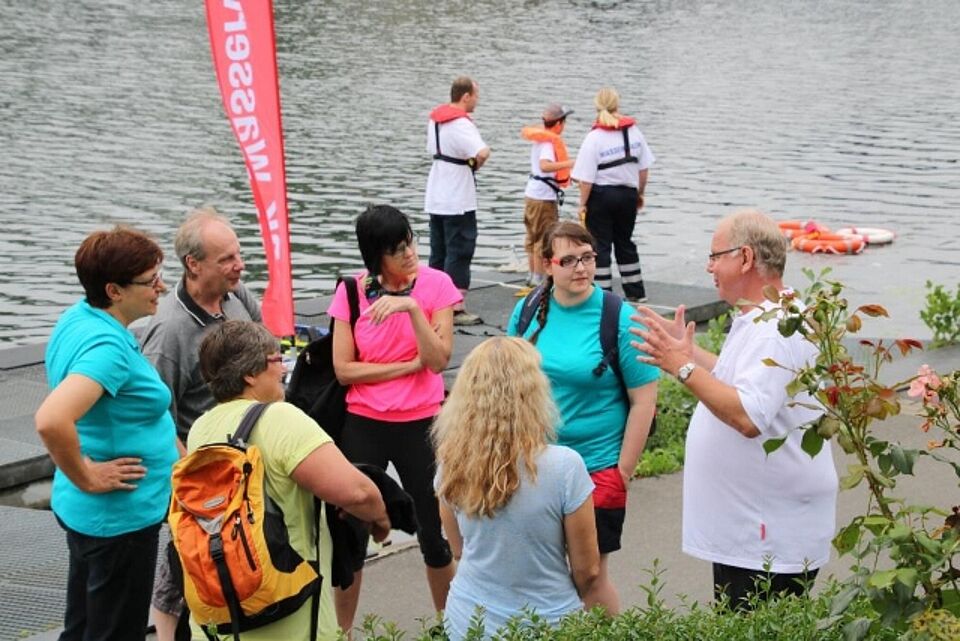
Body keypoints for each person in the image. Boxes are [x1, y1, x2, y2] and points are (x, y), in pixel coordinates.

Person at [630, 209, 838, 607]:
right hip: (754, 527)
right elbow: (739, 382)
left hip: (767, 533)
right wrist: (689, 354)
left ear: (745, 258)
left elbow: (747, 416)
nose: (709, 267)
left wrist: (682, 366)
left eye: (715, 256)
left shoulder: (777, 326)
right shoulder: (766, 316)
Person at [186, 320, 390, 640]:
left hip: (226, 615)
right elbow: (357, 492)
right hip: (286, 613)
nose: (283, 369)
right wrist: (380, 519)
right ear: (250, 374)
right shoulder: (279, 417)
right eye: (276, 359)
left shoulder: (201, 428)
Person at [34, 227, 179, 641]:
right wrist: (88, 474)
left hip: (87, 513)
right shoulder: (108, 351)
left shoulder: (78, 317)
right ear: (114, 290)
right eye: (151, 281)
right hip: (119, 519)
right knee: (115, 632)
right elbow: (51, 419)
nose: (161, 288)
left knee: (82, 625)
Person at [507, 220, 659, 613]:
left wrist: (623, 471)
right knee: (537, 573)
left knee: (588, 576)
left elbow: (645, 400)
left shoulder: (618, 316)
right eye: (569, 259)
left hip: (596, 468)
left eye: (588, 257)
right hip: (535, 466)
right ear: (547, 264)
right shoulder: (526, 312)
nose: (581, 268)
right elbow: (508, 384)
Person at [328, 205, 459, 634]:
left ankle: (450, 625)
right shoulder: (350, 292)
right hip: (364, 423)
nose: (409, 253)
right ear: (374, 256)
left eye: (411, 241)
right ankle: (342, 631)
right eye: (396, 248)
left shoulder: (436, 284)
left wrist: (411, 310)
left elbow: (438, 361)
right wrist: (406, 368)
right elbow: (345, 370)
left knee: (433, 531)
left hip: (421, 423)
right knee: (351, 530)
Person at [432, 337, 616, 639]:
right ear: (534, 392)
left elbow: (459, 549)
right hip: (548, 622)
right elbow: (589, 571)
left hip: (469, 621)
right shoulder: (564, 467)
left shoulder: (450, 463)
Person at [140, 206, 262, 640]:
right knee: (180, 559)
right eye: (227, 259)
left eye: (238, 254)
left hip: (246, 456)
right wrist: (191, 474)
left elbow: (263, 352)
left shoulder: (238, 296)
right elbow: (153, 412)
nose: (239, 265)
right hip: (200, 466)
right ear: (194, 265)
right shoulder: (169, 330)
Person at [571, 87, 655, 302]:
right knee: (625, 243)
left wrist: (582, 204)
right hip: (628, 194)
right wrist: (640, 194)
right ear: (617, 105)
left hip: (602, 196)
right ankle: (636, 292)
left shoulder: (595, 137)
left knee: (601, 245)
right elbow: (643, 169)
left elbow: (586, 178)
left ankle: (602, 295)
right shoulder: (633, 133)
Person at [425, 75, 491, 326]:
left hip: (437, 190)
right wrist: (475, 164)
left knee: (438, 250)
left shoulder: (435, 121)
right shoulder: (461, 124)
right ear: (465, 96)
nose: (477, 100)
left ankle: (433, 300)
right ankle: (455, 306)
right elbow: (482, 152)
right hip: (457, 194)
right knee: (460, 248)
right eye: (476, 95)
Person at [518, 103, 576, 296]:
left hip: (532, 195)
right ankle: (539, 279)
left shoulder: (541, 140)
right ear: (559, 123)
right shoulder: (548, 144)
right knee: (543, 237)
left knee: (533, 236)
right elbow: (545, 166)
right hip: (542, 198)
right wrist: (571, 163)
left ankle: (532, 276)